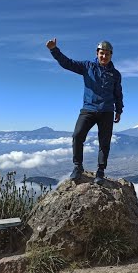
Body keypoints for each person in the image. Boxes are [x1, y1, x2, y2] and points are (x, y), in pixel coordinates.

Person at [46, 38, 124, 184]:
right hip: (89, 109)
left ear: (111, 55)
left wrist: (119, 110)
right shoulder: (87, 67)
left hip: (107, 111)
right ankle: (78, 167)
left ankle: (100, 171)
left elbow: (118, 93)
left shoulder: (115, 74)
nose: (104, 56)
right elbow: (67, 63)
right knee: (78, 135)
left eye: (107, 54)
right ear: (97, 53)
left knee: (104, 142)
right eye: (102, 53)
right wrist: (54, 50)